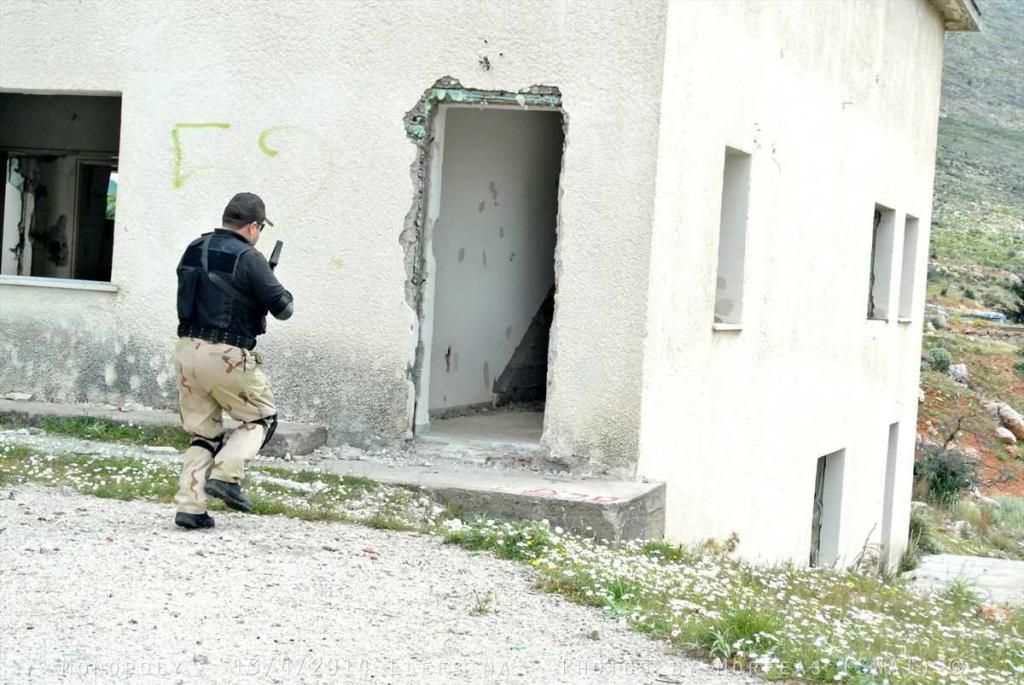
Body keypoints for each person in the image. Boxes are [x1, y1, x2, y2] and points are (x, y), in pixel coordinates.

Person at [172, 192, 294, 529]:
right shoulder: (249, 257)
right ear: (253, 226)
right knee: (262, 418)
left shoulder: (194, 248)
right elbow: (284, 309)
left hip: (186, 349)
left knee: (204, 434)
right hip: (226, 354)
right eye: (260, 229)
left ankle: (190, 508)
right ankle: (226, 475)